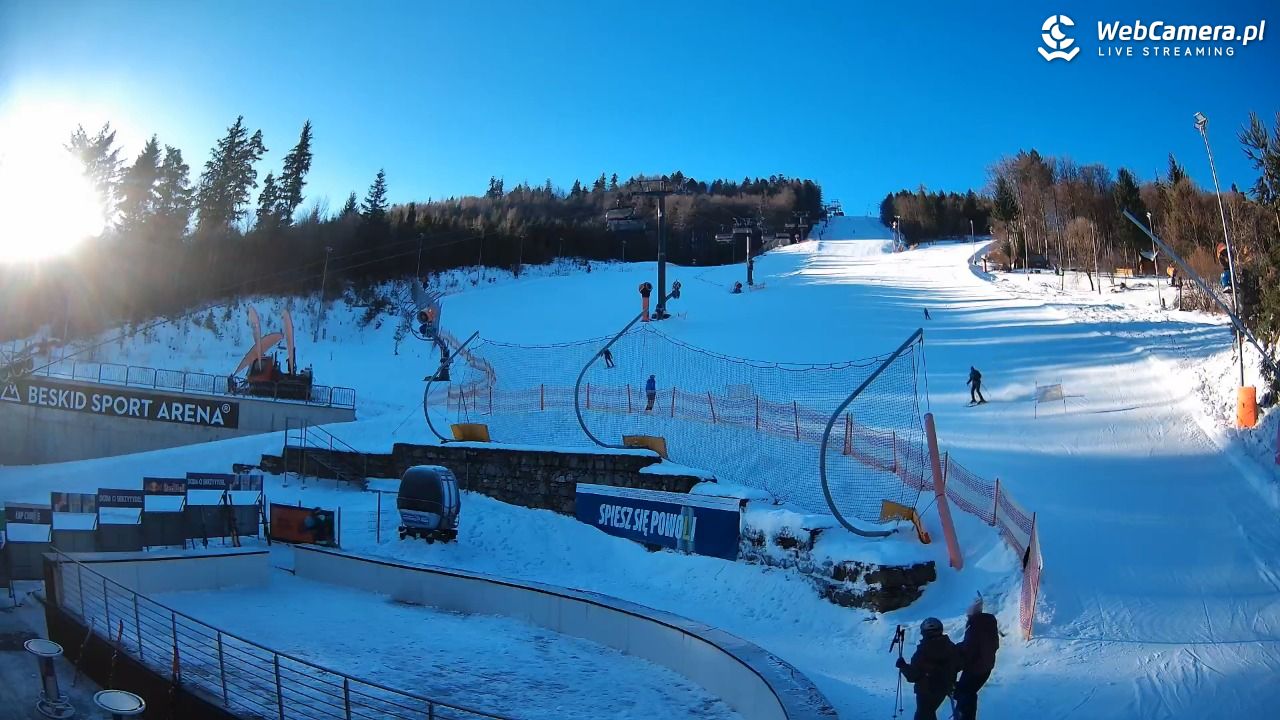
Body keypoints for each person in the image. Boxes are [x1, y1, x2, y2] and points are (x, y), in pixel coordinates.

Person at [896, 617, 961, 720]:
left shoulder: (923, 651)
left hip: (926, 691)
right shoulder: (950, 645)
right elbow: (958, 665)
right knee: (929, 712)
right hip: (944, 688)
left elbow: (913, 676)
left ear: (923, 632)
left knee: (923, 715)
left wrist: (902, 666)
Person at [954, 597, 1000, 720]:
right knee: (968, 693)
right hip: (986, 666)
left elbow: (969, 648)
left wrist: (957, 652)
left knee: (964, 694)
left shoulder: (975, 624)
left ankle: (963, 717)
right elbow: (993, 645)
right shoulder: (988, 621)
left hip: (976, 668)